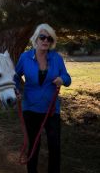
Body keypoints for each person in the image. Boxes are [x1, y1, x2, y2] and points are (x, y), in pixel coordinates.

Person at [14, 23, 71, 173]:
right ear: (36, 39)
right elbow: (14, 77)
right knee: (33, 145)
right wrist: (16, 90)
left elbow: (67, 77)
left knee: (54, 145)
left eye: (49, 39)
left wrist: (62, 80)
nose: (46, 41)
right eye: (42, 37)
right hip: (30, 108)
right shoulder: (25, 57)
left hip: (51, 109)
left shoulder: (57, 58)